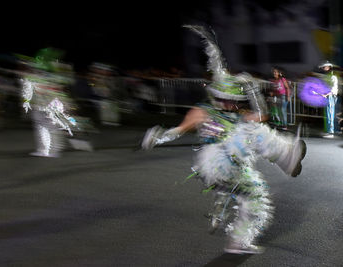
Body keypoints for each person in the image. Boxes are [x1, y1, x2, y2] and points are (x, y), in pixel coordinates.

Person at [141, 25, 307, 254]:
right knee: (251, 130)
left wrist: (250, 87)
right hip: (215, 161)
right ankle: (285, 156)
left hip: (232, 167)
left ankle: (239, 241)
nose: (231, 104)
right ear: (216, 95)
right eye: (226, 99)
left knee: (257, 196)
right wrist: (157, 137)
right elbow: (178, 130)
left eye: (234, 100)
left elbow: (262, 114)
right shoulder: (203, 111)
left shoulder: (237, 114)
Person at [319, 61, 339, 138]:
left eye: (325, 67)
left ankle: (331, 132)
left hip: (331, 96)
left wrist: (326, 94)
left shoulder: (333, 77)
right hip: (328, 96)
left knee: (330, 113)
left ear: (328, 67)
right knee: (328, 114)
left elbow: (333, 89)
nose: (324, 68)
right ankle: (329, 131)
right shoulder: (327, 76)